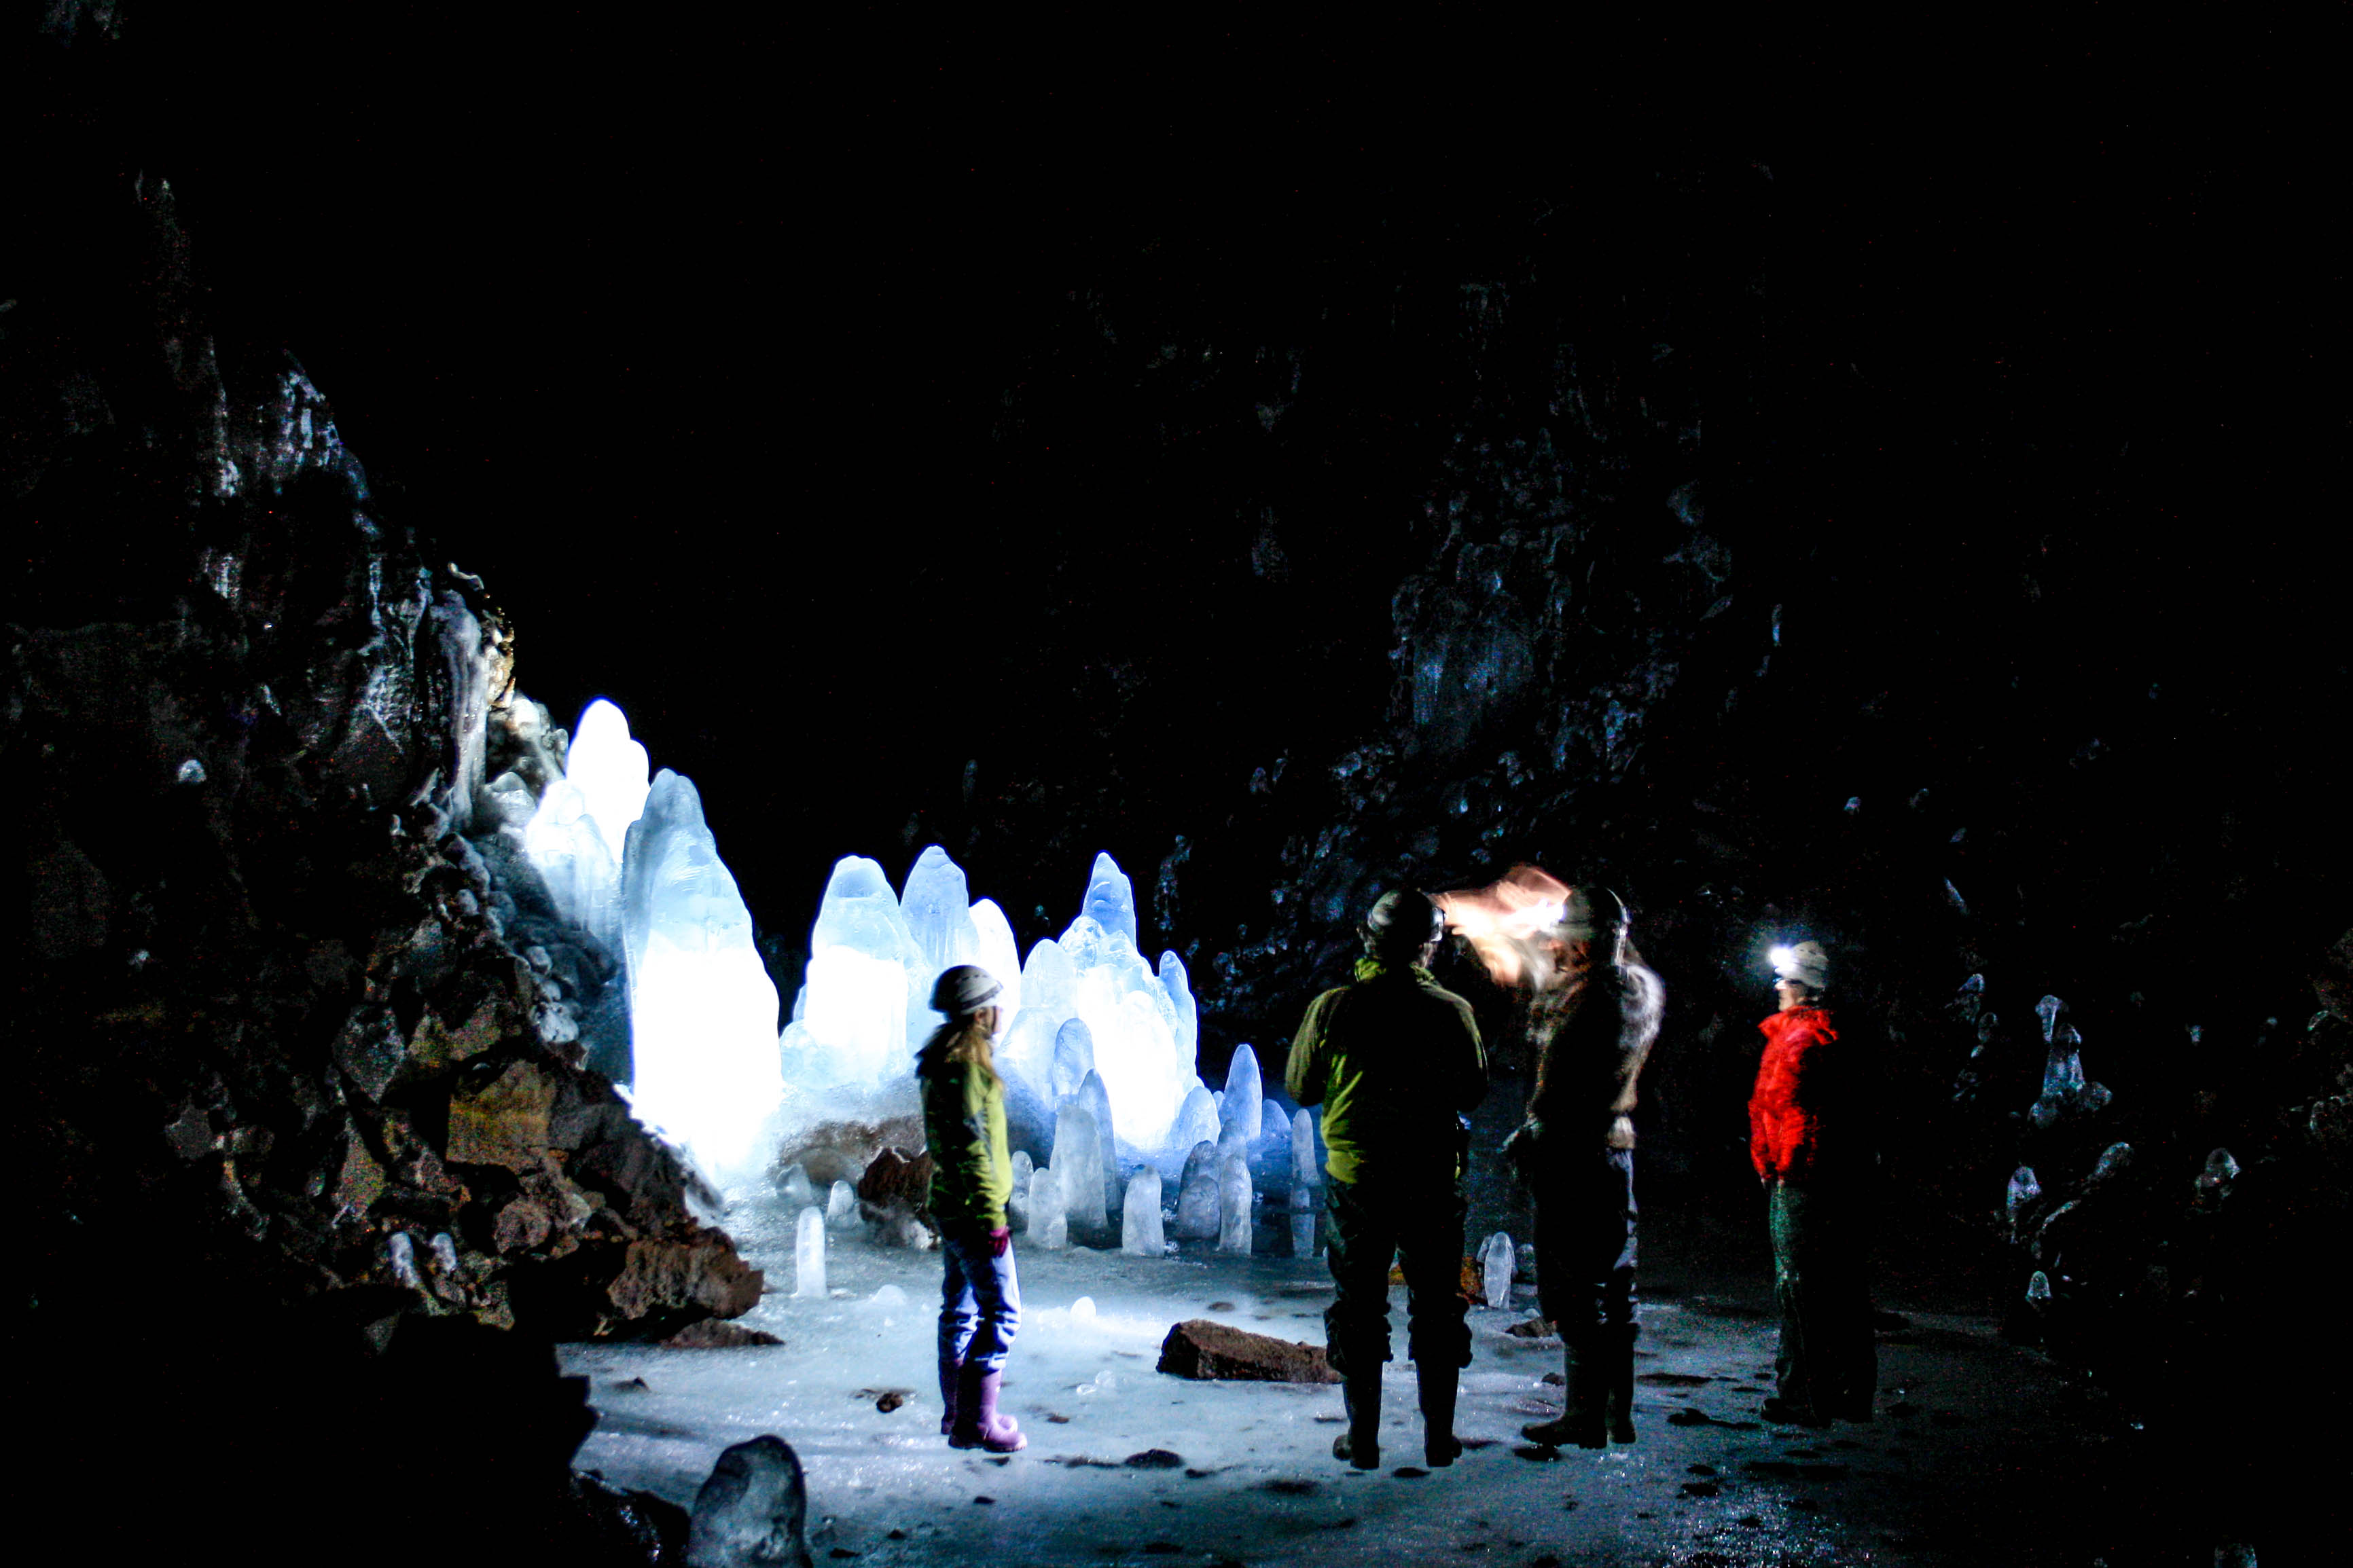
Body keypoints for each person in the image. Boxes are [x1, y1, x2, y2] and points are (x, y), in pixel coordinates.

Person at [1286, 889, 1488, 1470]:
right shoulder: (1452, 1010)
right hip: (1430, 1178)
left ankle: (1364, 1438)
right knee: (1437, 1304)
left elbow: (1301, 1086)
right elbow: (1472, 1090)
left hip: (1358, 1179)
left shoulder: (1333, 1007)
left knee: (1359, 1302)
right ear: (1430, 947)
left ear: (1365, 936)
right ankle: (1438, 1437)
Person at [1502, 886, 1665, 1449]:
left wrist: (1529, 1137)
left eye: (1566, 939)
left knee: (1574, 1288)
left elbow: (1557, 1083)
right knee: (1619, 1285)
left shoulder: (1584, 1002)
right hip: (1618, 1151)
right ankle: (1619, 1414)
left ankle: (1584, 1415)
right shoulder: (1644, 990)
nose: (1556, 946)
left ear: (1583, 944)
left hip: (1574, 1155)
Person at [1748, 939, 1877, 1425]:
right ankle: (1850, 1391)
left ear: (1806, 987)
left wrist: (1777, 1169)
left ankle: (1806, 1395)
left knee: (1800, 1286)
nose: (1778, 986)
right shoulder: (1838, 1033)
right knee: (1843, 1281)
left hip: (1801, 1180)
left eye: (1787, 979)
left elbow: (1789, 1111)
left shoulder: (1800, 1040)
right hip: (1838, 1176)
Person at [919, 963, 1026, 1453]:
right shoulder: (965, 1070)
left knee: (958, 1311)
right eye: (995, 1003)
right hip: (971, 1210)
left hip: (950, 1204)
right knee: (1003, 1313)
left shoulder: (944, 1062)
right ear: (980, 1012)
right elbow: (970, 1150)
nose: (1000, 1011)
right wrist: (992, 1218)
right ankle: (978, 1423)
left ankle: (955, 1412)